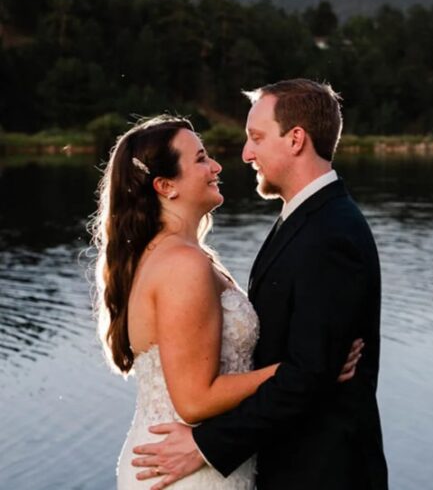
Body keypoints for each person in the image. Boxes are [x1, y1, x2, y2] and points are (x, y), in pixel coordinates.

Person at [130, 79, 388, 490]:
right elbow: (306, 367)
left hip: (321, 474)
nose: (245, 153)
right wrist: (311, 370)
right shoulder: (305, 220)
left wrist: (205, 445)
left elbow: (308, 374)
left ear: (296, 139)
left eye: (256, 138)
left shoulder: (330, 234)